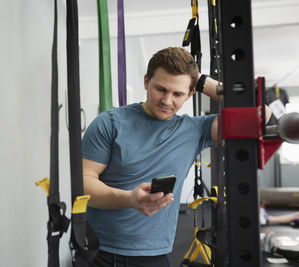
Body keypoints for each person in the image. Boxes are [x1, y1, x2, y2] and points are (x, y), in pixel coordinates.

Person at [82, 47, 271, 267]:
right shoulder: (109, 123)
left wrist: (200, 81)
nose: (167, 100)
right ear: (146, 81)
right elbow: (83, 183)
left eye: (178, 93)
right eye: (160, 89)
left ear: (191, 93)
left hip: (156, 256)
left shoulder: (194, 130)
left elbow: (260, 115)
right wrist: (129, 199)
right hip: (100, 252)